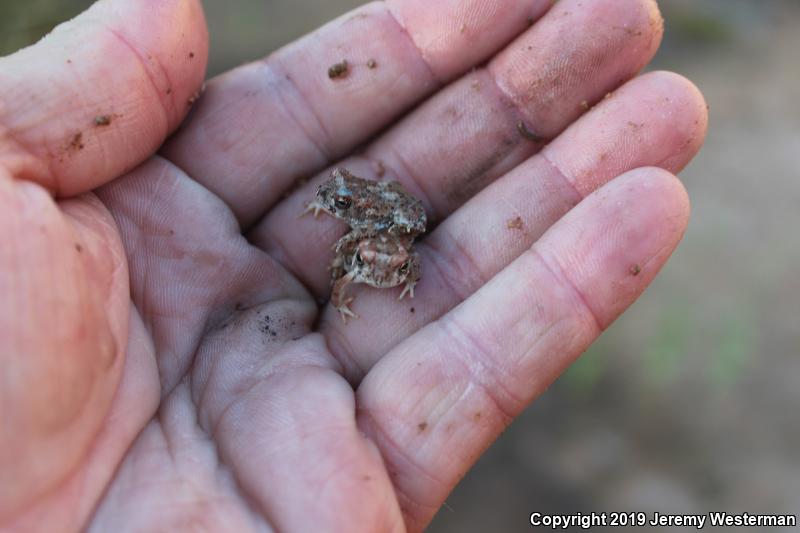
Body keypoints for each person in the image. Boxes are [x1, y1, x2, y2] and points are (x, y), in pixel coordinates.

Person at [0, 0, 707, 531]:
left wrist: (390, 256)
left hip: (392, 226)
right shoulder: (349, 237)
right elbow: (347, 249)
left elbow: (388, 239)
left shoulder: (389, 239)